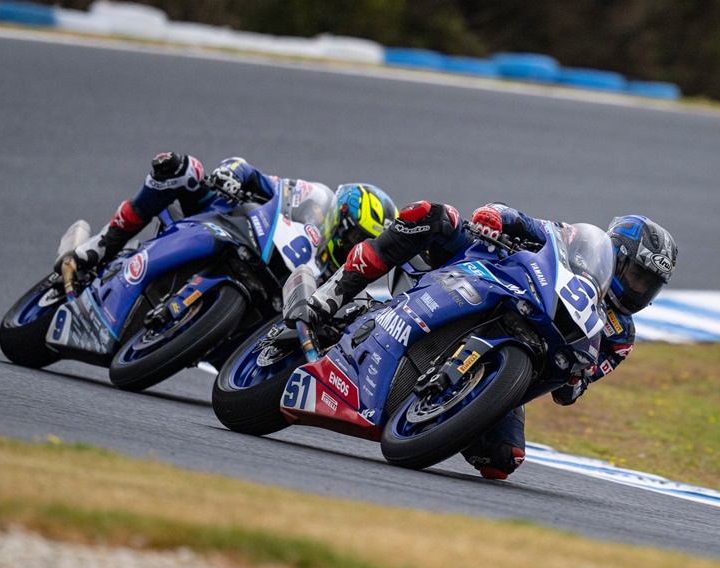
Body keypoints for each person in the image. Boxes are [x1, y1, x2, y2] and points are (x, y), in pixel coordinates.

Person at [287, 201, 677, 480]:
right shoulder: (577, 245)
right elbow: (528, 223)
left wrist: (578, 380)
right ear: (616, 257)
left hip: (518, 359)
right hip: (484, 275)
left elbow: (570, 390)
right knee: (433, 216)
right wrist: (496, 217)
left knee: (503, 460)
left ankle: (441, 408)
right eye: (637, 276)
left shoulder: (620, 336)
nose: (639, 289)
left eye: (650, 286)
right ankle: (332, 295)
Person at [66, 152, 398, 280]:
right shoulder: (314, 201)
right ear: (341, 218)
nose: (355, 250)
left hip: (263, 293)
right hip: (227, 222)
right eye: (356, 238)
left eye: (364, 247)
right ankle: (98, 248)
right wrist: (231, 175)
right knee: (180, 168)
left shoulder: (339, 282)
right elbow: (250, 171)